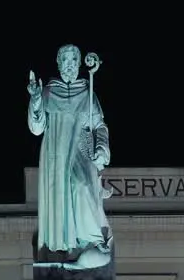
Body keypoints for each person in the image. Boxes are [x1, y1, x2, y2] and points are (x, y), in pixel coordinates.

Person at [27, 44, 111, 259]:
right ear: (59, 63)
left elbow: (99, 125)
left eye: (74, 60)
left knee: (81, 185)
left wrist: (101, 148)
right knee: (62, 195)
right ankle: (66, 245)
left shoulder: (87, 92)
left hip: (79, 149)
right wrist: (35, 100)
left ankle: (91, 239)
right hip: (56, 153)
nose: (70, 64)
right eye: (66, 59)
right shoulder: (48, 91)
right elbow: (36, 129)